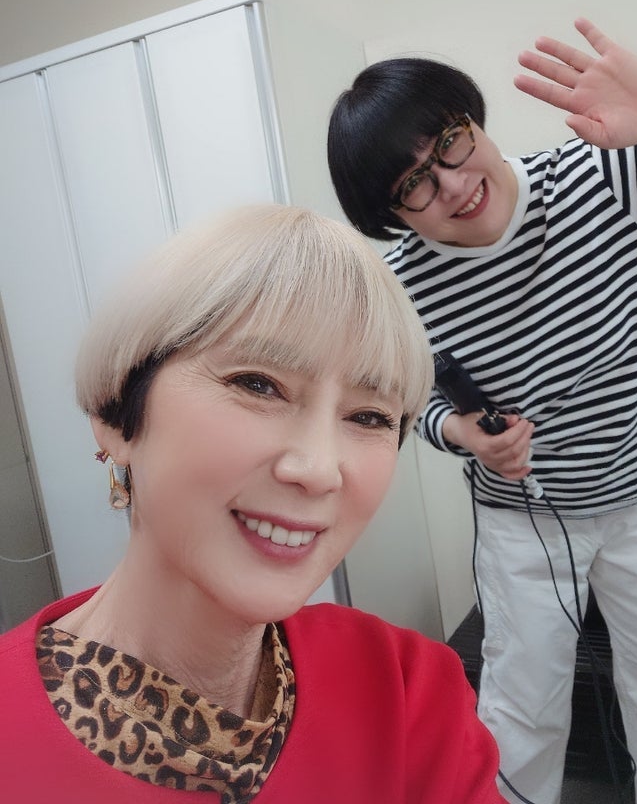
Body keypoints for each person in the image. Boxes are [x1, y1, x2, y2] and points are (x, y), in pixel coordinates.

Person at [327, 19, 637, 804]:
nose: (452, 186)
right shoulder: (399, 288)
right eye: (413, 186)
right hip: (524, 520)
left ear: (473, 121)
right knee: (520, 707)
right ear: (392, 215)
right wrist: (461, 433)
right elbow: (397, 402)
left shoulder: (601, 179)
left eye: (450, 144)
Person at [0, 204, 506, 804]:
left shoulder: (405, 688)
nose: (318, 470)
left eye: (370, 417)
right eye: (257, 384)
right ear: (115, 413)